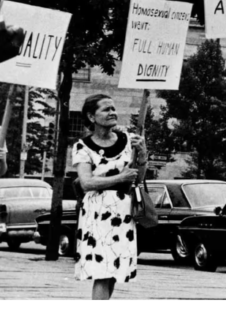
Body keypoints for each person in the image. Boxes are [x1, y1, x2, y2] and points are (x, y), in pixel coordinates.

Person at [72, 94, 148, 301]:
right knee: (102, 272)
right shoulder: (82, 146)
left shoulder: (127, 141)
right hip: (97, 213)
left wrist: (142, 156)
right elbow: (86, 182)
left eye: (113, 108)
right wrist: (119, 177)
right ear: (91, 116)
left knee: (114, 271)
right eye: (106, 109)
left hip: (123, 213)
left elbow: (137, 178)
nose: (112, 112)